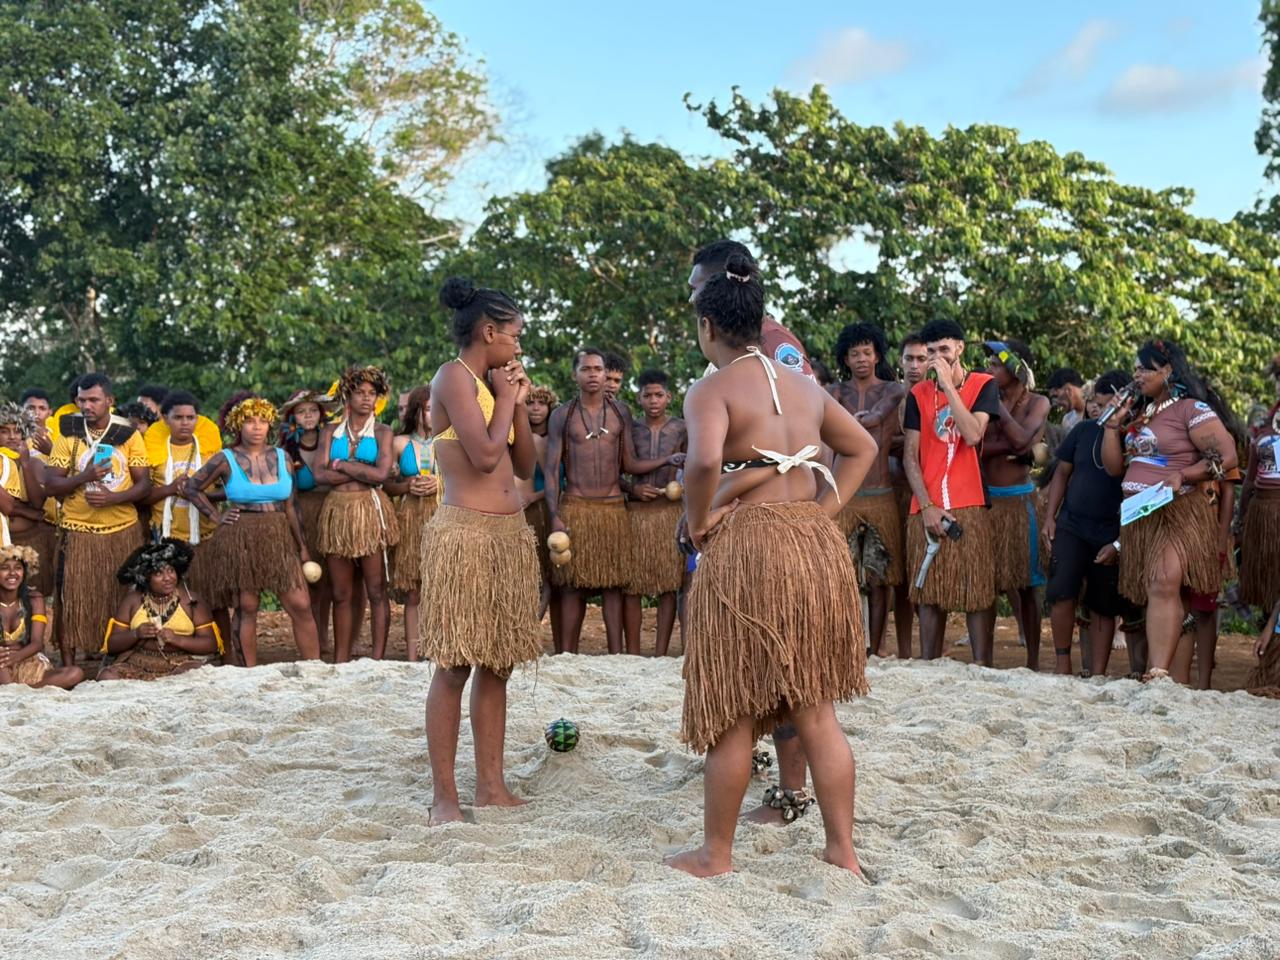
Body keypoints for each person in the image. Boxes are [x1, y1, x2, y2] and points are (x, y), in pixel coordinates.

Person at [668, 253, 876, 878]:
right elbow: (860, 446)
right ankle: (842, 850)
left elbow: (703, 464)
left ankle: (716, 855)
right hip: (813, 546)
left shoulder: (711, 388)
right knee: (816, 707)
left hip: (752, 549)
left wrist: (700, 519)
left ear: (708, 326)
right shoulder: (805, 387)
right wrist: (826, 509)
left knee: (734, 707)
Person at [421, 277, 542, 825]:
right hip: (465, 536)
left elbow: (523, 466)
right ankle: (445, 797)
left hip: (508, 536)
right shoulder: (452, 377)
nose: (518, 344)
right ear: (488, 331)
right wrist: (509, 397)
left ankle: (491, 786)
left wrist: (515, 401)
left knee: (498, 664)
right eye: (513, 335)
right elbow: (487, 454)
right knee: (453, 665)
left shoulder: (492, 383)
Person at [1100, 338, 1237, 682]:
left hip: (1177, 510)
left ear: (1168, 370)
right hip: (1140, 513)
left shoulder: (1190, 409)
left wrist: (1184, 475)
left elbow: (1228, 457)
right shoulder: (1140, 413)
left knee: (1163, 582)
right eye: (1136, 367)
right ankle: (1159, 671)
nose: (1138, 373)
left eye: (1146, 367)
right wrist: (1113, 425)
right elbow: (1114, 467)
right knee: (1155, 589)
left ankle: (1159, 673)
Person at [544, 349, 678, 654]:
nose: (593, 374)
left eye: (598, 369)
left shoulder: (620, 413)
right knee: (571, 586)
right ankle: (568, 654)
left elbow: (628, 464)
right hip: (575, 506)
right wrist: (554, 515)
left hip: (614, 508)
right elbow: (551, 471)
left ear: (606, 375)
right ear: (574, 375)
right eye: (586, 369)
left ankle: (617, 655)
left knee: (614, 585)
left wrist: (666, 460)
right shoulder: (562, 415)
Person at [185, 393, 321, 666]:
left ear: (270, 425)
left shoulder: (283, 457)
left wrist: (303, 548)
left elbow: (291, 506)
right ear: (238, 425)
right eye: (249, 421)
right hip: (242, 534)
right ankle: (249, 671)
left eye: (262, 421)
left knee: (300, 604)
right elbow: (191, 487)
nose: (257, 427)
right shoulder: (225, 458)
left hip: (279, 533)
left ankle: (313, 668)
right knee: (247, 606)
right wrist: (215, 516)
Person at [903, 319, 1000, 665]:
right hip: (927, 504)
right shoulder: (917, 395)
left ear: (960, 348)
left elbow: (973, 433)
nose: (936, 358)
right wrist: (927, 505)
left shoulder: (984, 384)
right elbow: (910, 456)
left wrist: (947, 385)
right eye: (931, 352)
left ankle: (983, 667)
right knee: (929, 595)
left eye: (943, 350)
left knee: (976, 591)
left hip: (969, 501)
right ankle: (929, 666)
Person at [44, 373, 150, 663]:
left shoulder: (129, 434)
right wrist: (86, 475)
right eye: (82, 400)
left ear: (110, 401)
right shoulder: (67, 432)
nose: (86, 405)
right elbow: (51, 484)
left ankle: (120, 659)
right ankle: (68, 665)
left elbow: (144, 485)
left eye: (93, 400)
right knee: (70, 598)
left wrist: (113, 498)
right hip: (77, 531)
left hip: (122, 529)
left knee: (121, 598)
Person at [1043, 370, 1133, 676]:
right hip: (1072, 523)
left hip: (1113, 529)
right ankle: (1062, 665)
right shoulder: (1082, 432)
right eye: (1094, 398)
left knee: (1104, 603)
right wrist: (1050, 517)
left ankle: (1098, 673)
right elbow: (1061, 473)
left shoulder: (1136, 434)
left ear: (1123, 398)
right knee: (1061, 590)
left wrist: (1121, 539)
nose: (1097, 404)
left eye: (1103, 397)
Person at [829, 323, 906, 656]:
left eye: (866, 352)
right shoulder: (834, 393)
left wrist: (864, 418)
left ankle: (876, 648)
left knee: (879, 577)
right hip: (845, 495)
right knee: (841, 576)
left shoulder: (893, 390)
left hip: (880, 494)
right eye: (854, 353)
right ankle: (846, 646)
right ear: (845, 358)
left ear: (877, 355)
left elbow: (878, 415)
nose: (861, 359)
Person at [314, 366, 399, 662]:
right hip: (337, 511)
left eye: (372, 393)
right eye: (360, 392)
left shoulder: (383, 432)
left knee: (376, 589)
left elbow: (380, 474)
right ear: (347, 395)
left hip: (369, 512)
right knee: (340, 592)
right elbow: (319, 474)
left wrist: (344, 465)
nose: (366, 399)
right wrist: (360, 471)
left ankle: (377, 658)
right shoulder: (329, 431)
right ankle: (340, 658)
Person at [980, 339, 1051, 669]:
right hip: (987, 501)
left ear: (1016, 369)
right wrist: (1011, 445)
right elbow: (976, 446)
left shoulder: (1039, 402)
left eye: (997, 363)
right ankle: (987, 659)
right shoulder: (983, 397)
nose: (989, 367)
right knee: (988, 584)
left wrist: (998, 409)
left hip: (1020, 503)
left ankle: (1034, 661)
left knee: (1027, 584)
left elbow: (1022, 441)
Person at [141, 390, 229, 649]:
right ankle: (176, 651)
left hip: (206, 537)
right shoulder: (153, 449)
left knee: (216, 599)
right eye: (178, 417)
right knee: (172, 600)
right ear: (165, 419)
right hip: (166, 540)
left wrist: (199, 493)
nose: (185, 423)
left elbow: (228, 488)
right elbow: (142, 497)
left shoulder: (210, 452)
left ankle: (226, 652)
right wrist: (170, 489)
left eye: (191, 417)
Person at [622, 370, 688, 656]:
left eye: (658, 395)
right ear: (638, 398)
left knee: (668, 584)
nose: (653, 401)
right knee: (632, 585)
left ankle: (661, 652)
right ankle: (634, 653)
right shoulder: (631, 429)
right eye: (647, 395)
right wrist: (632, 490)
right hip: (637, 513)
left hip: (669, 513)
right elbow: (621, 467)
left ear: (669, 397)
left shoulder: (682, 428)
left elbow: (695, 465)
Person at [687, 240, 814, 380]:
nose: (691, 299)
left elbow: (808, 399)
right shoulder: (724, 350)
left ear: (718, 283)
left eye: (694, 289)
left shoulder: (771, 337)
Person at [99, 538, 222, 680]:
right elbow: (111, 645)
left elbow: (211, 644)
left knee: (196, 677)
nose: (167, 578)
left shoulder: (192, 601)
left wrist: (177, 639)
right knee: (107, 676)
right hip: (137, 662)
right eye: (159, 573)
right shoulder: (132, 600)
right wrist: (136, 634)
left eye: (171, 571)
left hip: (180, 663)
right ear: (146, 578)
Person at [281, 388, 340, 649]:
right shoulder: (285, 449)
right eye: (302, 411)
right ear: (293, 417)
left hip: (333, 510)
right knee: (310, 577)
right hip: (302, 512)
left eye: (313, 410)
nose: (308, 416)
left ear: (322, 414)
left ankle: (326, 637)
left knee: (331, 579)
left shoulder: (334, 440)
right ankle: (312, 635)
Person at [385, 385, 437, 662]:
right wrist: (406, 485)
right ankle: (413, 655)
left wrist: (439, 483)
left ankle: (441, 648)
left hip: (442, 518)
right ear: (417, 412)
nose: (434, 414)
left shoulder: (452, 441)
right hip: (411, 519)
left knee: (441, 587)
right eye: (429, 409)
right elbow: (387, 486)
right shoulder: (399, 443)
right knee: (414, 591)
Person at [889, 333, 928, 658]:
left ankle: (931, 647)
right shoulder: (891, 398)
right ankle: (904, 650)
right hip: (896, 495)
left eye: (921, 359)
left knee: (925, 574)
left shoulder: (939, 397)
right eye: (909, 359)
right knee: (900, 578)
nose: (915, 366)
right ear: (900, 362)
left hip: (930, 496)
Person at [0, 544, 83, 688]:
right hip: (1, 663)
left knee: (75, 673)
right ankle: (15, 690)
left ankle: (25, 690)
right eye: (5, 568)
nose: (12, 573)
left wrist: (15, 657)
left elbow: (37, 643)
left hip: (25, 660)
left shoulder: (34, 600)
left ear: (25, 572)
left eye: (18, 568)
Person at [519, 384, 561, 650]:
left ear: (549, 407)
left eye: (541, 404)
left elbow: (557, 479)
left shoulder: (552, 440)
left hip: (542, 510)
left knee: (544, 575)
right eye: (530, 403)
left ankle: (532, 628)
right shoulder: (517, 435)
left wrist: (533, 499)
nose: (535, 409)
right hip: (519, 510)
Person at [0, 402, 56, 598]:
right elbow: (8, 505)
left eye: (17, 431)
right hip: (5, 541)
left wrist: (24, 463)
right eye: (5, 431)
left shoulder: (33, 462)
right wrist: (24, 511)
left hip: (31, 543)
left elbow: (38, 503)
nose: (12, 436)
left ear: (25, 434)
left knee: (33, 598)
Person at [1239, 356, 1280, 612]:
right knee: (1270, 582)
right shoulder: (1264, 428)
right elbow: (1250, 480)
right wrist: (1240, 522)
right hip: (1263, 513)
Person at [1046, 368, 1086, 433]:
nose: (1054, 403)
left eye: (1056, 396)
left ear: (1068, 390)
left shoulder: (1097, 410)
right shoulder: (1067, 419)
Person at [19, 389, 53, 457]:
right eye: (31, 408)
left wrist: (51, 451)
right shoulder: (14, 439)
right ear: (21, 411)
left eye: (42, 408)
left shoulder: (58, 436)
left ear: (49, 412)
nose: (37, 413)